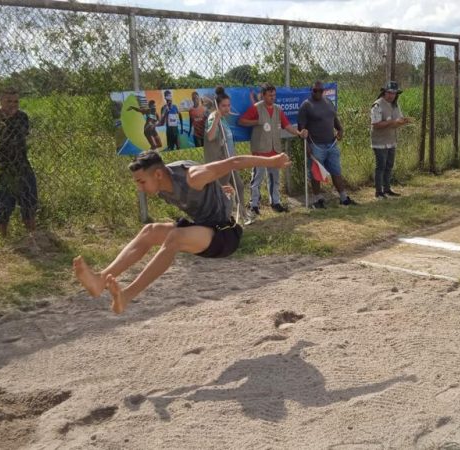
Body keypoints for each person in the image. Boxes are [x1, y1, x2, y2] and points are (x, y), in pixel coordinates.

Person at [73, 151, 291, 314]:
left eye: (141, 182)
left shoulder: (192, 177)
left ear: (158, 174)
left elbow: (233, 163)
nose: (139, 188)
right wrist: (218, 192)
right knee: (149, 231)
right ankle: (100, 280)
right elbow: (209, 189)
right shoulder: (162, 179)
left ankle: (127, 295)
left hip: (224, 235)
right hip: (202, 229)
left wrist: (271, 162)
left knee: (174, 238)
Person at [238, 83, 308, 215]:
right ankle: (254, 205)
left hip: (274, 150)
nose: (273, 97)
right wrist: (256, 122)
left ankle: (275, 202)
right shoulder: (256, 108)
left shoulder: (278, 109)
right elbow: (241, 121)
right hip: (260, 150)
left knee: (275, 178)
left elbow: (287, 125)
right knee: (257, 178)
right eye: (270, 95)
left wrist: (298, 133)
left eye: (274, 95)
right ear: (263, 95)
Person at [0, 87, 37, 239]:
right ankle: (4, 239)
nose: (13, 104)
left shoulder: (22, 117)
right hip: (1, 169)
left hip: (22, 166)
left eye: (16, 101)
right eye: (8, 101)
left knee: (29, 201)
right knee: (4, 205)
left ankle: (31, 237)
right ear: (0, 100)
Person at [298, 81, 357, 208]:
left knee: (336, 171)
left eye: (320, 90)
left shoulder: (329, 102)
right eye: (315, 90)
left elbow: (334, 118)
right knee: (316, 174)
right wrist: (306, 145)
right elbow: (301, 128)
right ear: (311, 90)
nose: (318, 93)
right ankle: (317, 199)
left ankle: (343, 198)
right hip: (315, 145)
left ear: (323, 91)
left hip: (331, 144)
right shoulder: (306, 105)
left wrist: (340, 129)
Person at [204, 86, 247, 221]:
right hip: (219, 163)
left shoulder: (223, 119)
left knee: (239, 186)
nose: (227, 108)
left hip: (229, 161)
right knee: (221, 191)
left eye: (229, 105)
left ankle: (243, 215)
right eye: (224, 106)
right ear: (217, 106)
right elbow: (210, 136)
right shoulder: (214, 118)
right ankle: (221, 218)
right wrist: (216, 119)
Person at [370, 81, 412, 199]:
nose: (391, 95)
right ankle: (379, 192)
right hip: (379, 142)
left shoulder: (395, 105)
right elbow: (376, 124)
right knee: (381, 166)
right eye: (389, 93)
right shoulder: (377, 105)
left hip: (391, 140)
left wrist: (403, 121)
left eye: (394, 93)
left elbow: (397, 120)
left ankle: (387, 189)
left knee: (389, 165)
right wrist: (393, 122)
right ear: (384, 92)